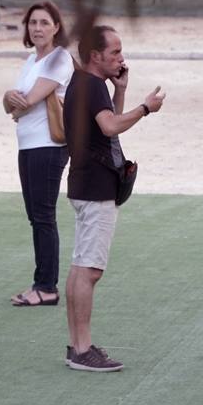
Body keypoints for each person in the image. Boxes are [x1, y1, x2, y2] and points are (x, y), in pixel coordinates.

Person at [61, 24, 165, 372]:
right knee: (89, 271)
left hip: (83, 184)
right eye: (115, 52)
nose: (121, 58)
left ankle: (77, 344)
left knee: (80, 268)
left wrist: (119, 90)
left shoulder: (87, 83)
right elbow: (110, 128)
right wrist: (145, 108)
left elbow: (107, 122)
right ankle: (82, 348)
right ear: (95, 56)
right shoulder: (91, 85)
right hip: (96, 189)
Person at [2, 1, 75, 307]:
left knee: (43, 217)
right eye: (33, 23)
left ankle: (46, 287)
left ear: (56, 27)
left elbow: (28, 101)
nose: (38, 28)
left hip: (49, 146)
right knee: (36, 217)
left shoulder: (59, 59)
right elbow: (12, 106)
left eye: (45, 23)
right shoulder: (31, 61)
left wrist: (14, 101)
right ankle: (42, 282)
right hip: (28, 145)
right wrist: (8, 98)